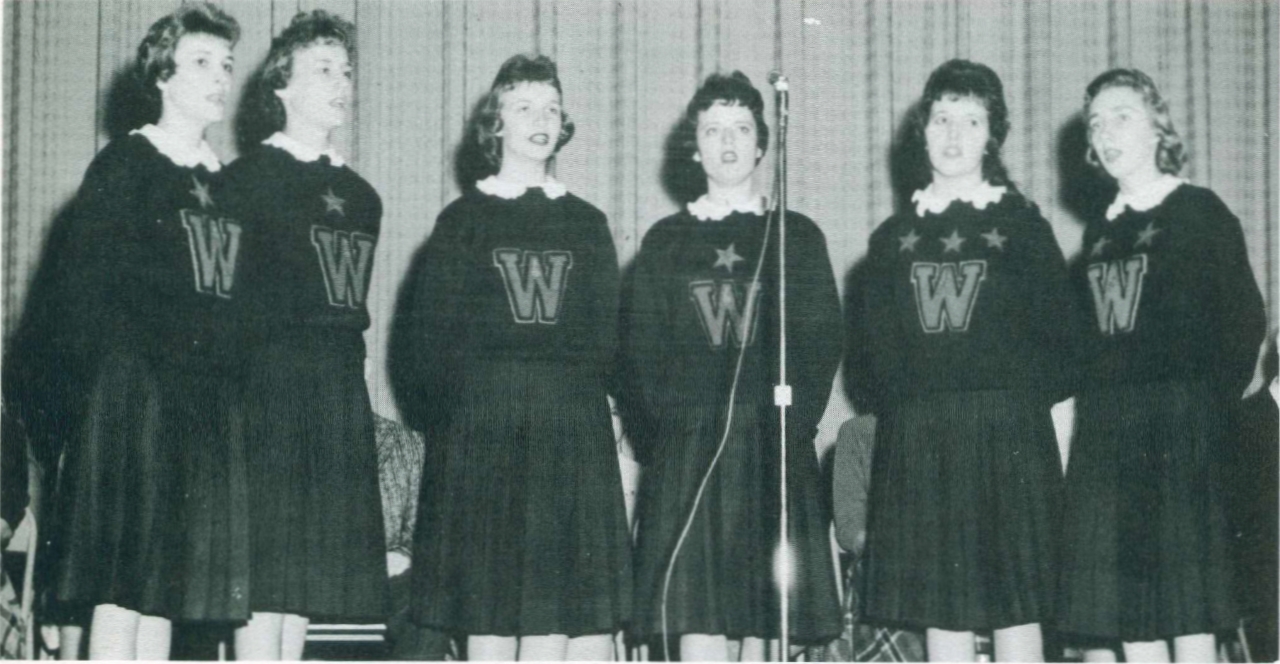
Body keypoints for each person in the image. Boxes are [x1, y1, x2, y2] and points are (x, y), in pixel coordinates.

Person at [6, 4, 244, 658]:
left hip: (199, 407)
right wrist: (98, 402)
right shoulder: (126, 164)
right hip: (134, 401)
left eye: (226, 64)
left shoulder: (225, 183)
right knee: (120, 590)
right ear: (163, 75)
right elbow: (77, 299)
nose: (219, 77)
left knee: (164, 592)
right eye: (201, 62)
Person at [847, 59, 1083, 661]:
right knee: (941, 612)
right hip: (922, 440)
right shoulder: (890, 239)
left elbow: (1064, 341)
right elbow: (870, 359)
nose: (954, 135)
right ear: (922, 131)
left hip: (1008, 439)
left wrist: (1005, 397)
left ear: (992, 136)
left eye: (971, 120)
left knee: (1016, 609)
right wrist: (921, 402)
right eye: (942, 119)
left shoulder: (1022, 226)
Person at [397, 54, 630, 661]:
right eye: (524, 106)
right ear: (495, 124)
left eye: (551, 108)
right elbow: (425, 350)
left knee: (554, 617)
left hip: (567, 432)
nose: (540, 119)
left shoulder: (587, 223)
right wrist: (465, 425)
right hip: (485, 436)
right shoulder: (463, 221)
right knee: (489, 614)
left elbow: (609, 339)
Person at [620, 71, 842, 661]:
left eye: (741, 129)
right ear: (693, 148)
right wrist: (671, 433)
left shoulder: (796, 236)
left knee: (767, 618)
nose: (727, 142)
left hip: (771, 442)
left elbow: (821, 342)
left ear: (763, 144)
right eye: (713, 130)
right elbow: (640, 352)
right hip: (690, 445)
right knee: (700, 613)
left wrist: (790, 425)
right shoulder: (666, 241)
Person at [1057, 67, 1267, 663]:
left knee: (1188, 611)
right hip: (1109, 436)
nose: (1106, 133)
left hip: (1181, 431)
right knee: (1132, 615)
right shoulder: (1099, 233)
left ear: (1158, 127)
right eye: (1096, 123)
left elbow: (1242, 323)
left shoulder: (1199, 212)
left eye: (1121, 116)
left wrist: (1201, 413)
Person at [219, 10, 387, 660]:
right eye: (323, 70)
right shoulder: (244, 181)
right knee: (265, 580)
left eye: (346, 71)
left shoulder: (362, 197)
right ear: (281, 86)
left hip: (335, 390)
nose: (341, 83)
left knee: (304, 585)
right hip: (267, 391)